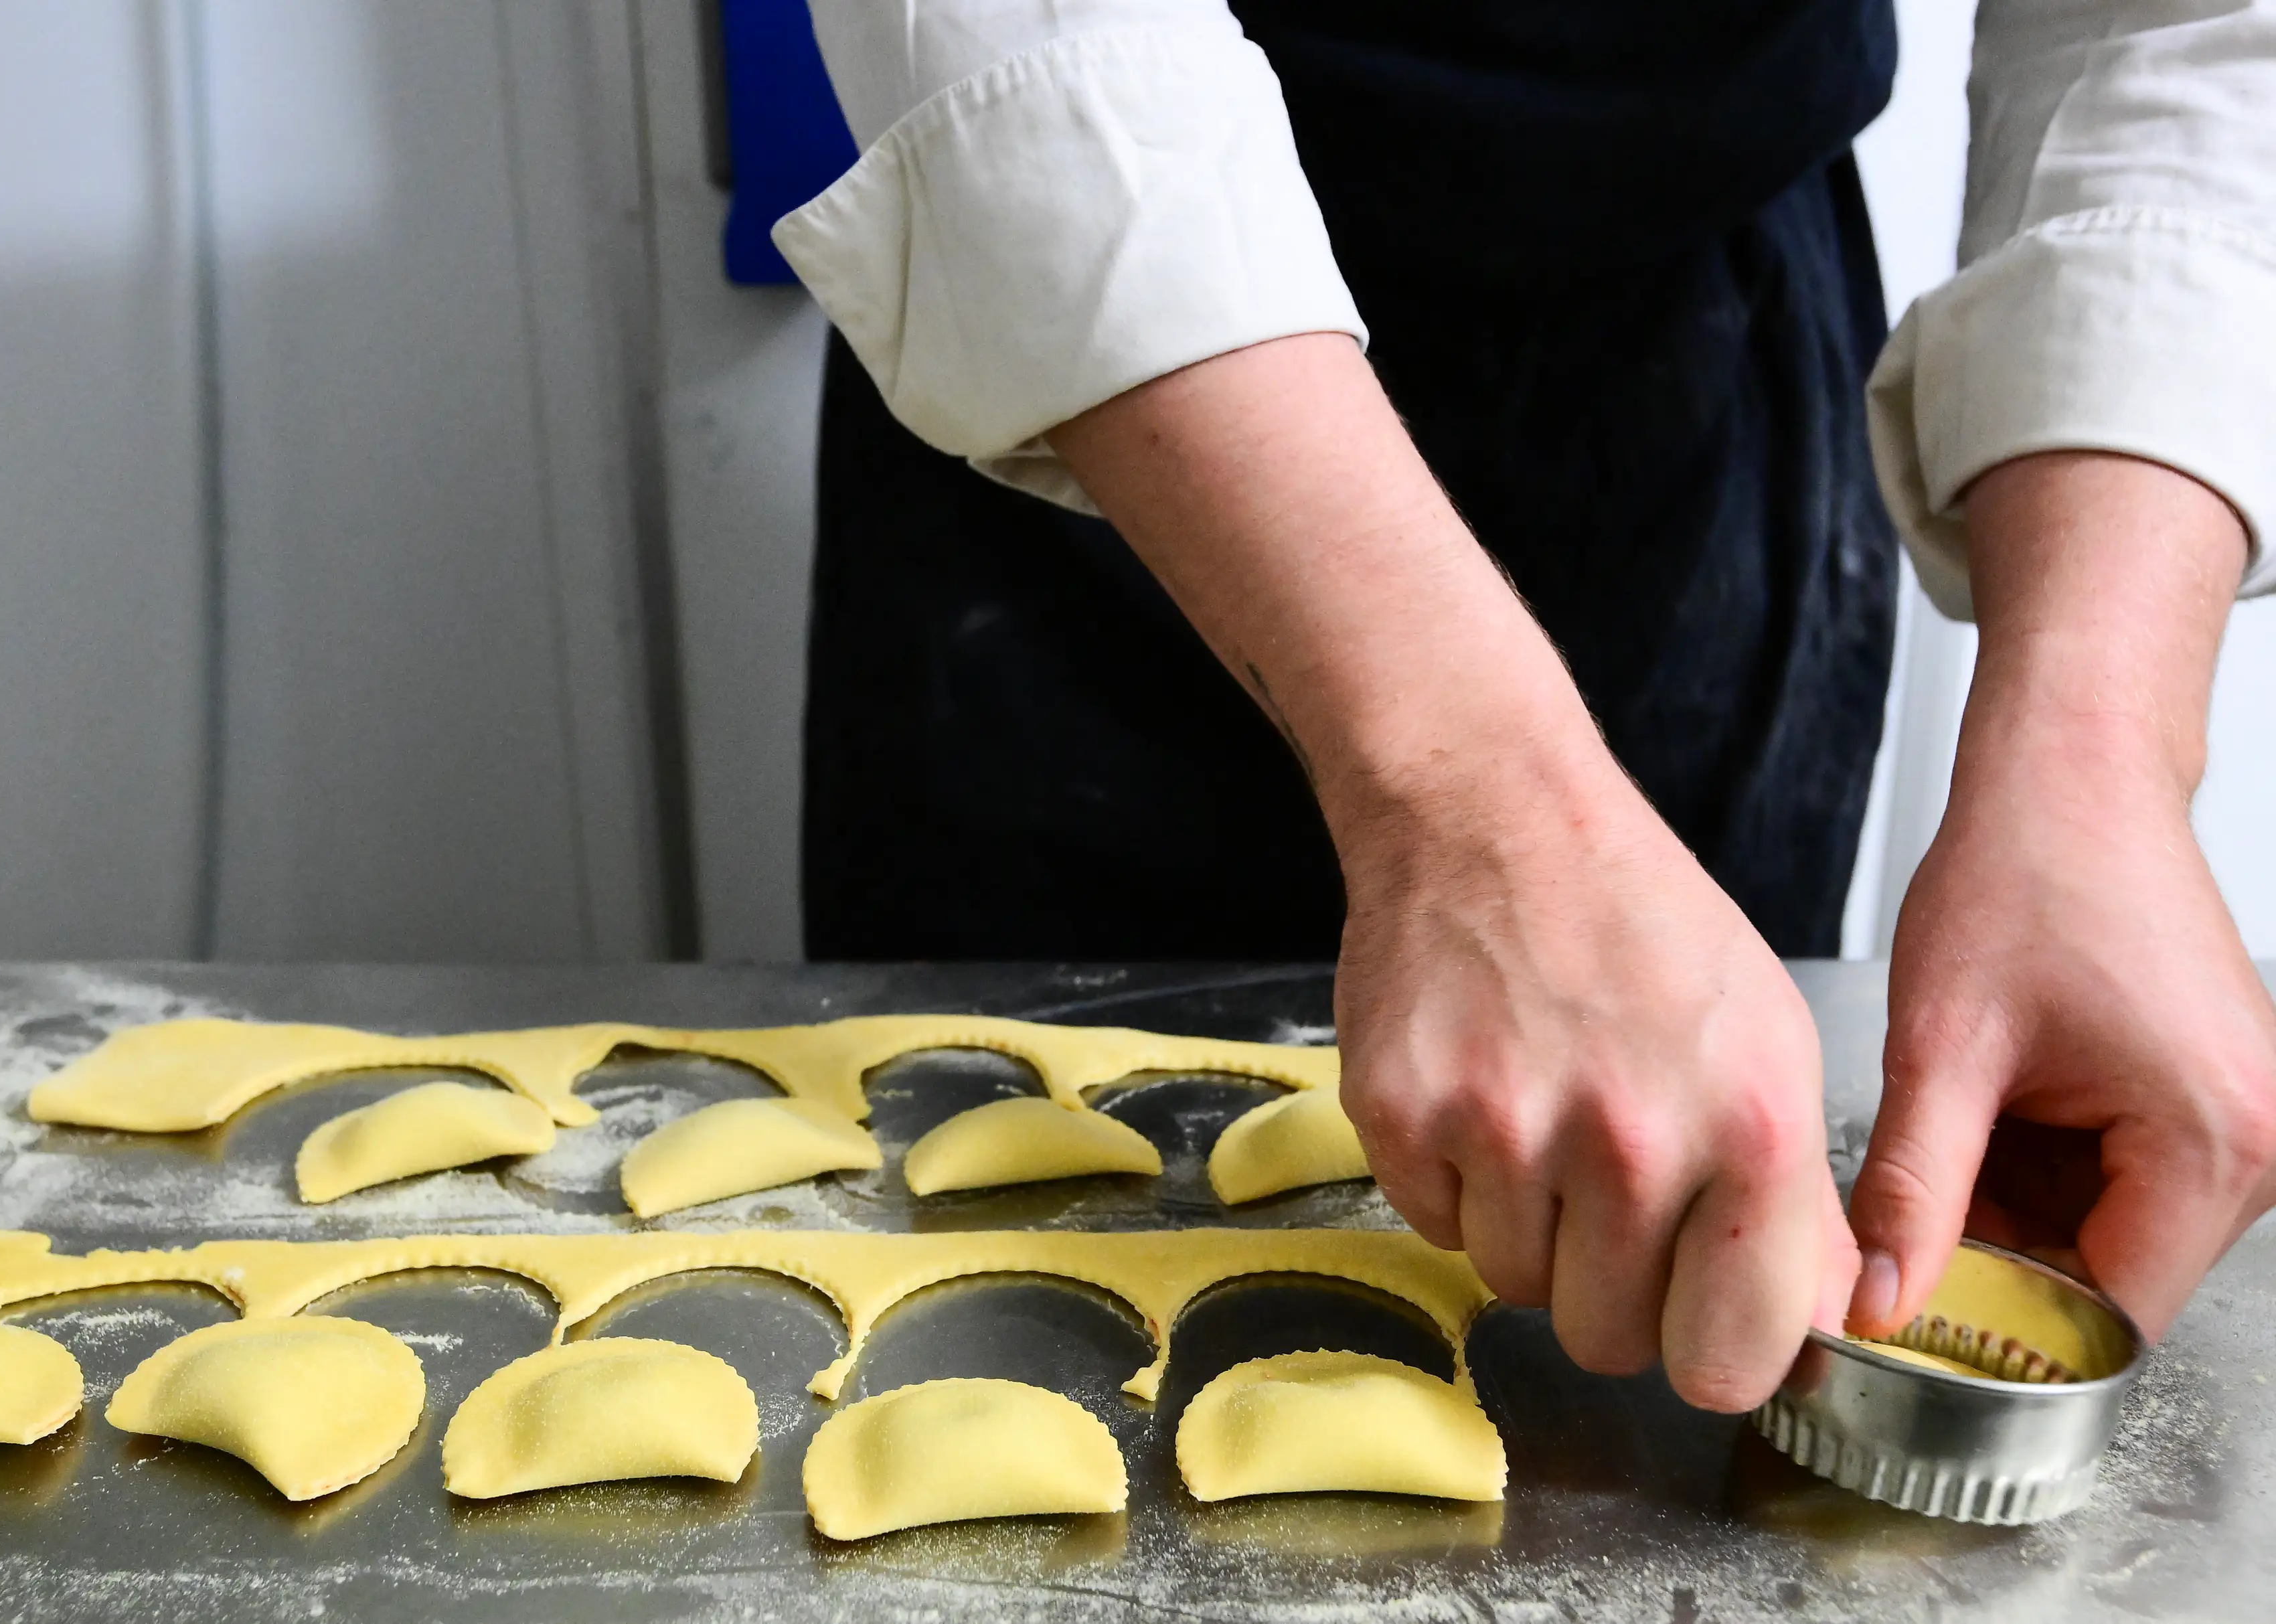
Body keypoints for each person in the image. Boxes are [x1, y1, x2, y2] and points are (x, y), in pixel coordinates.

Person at [773, 0, 2276, 1412]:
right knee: (990, 1275)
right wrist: (1471, 797)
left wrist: (2098, 757)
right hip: (1094, 393)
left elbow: (2180, 25)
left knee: (1674, 1314)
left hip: (1686, 379)